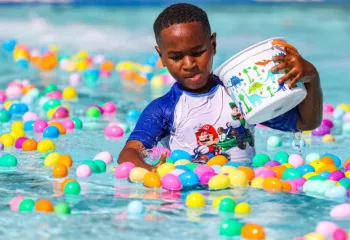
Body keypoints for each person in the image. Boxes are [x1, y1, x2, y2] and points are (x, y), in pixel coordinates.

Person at [118, 3, 323, 171]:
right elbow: (129, 153)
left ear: (213, 44)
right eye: (176, 57)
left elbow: (305, 122)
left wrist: (312, 78)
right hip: (190, 196)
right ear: (161, 57)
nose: (189, 64)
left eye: (198, 52)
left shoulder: (242, 94)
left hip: (242, 190)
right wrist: (152, 171)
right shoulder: (163, 108)